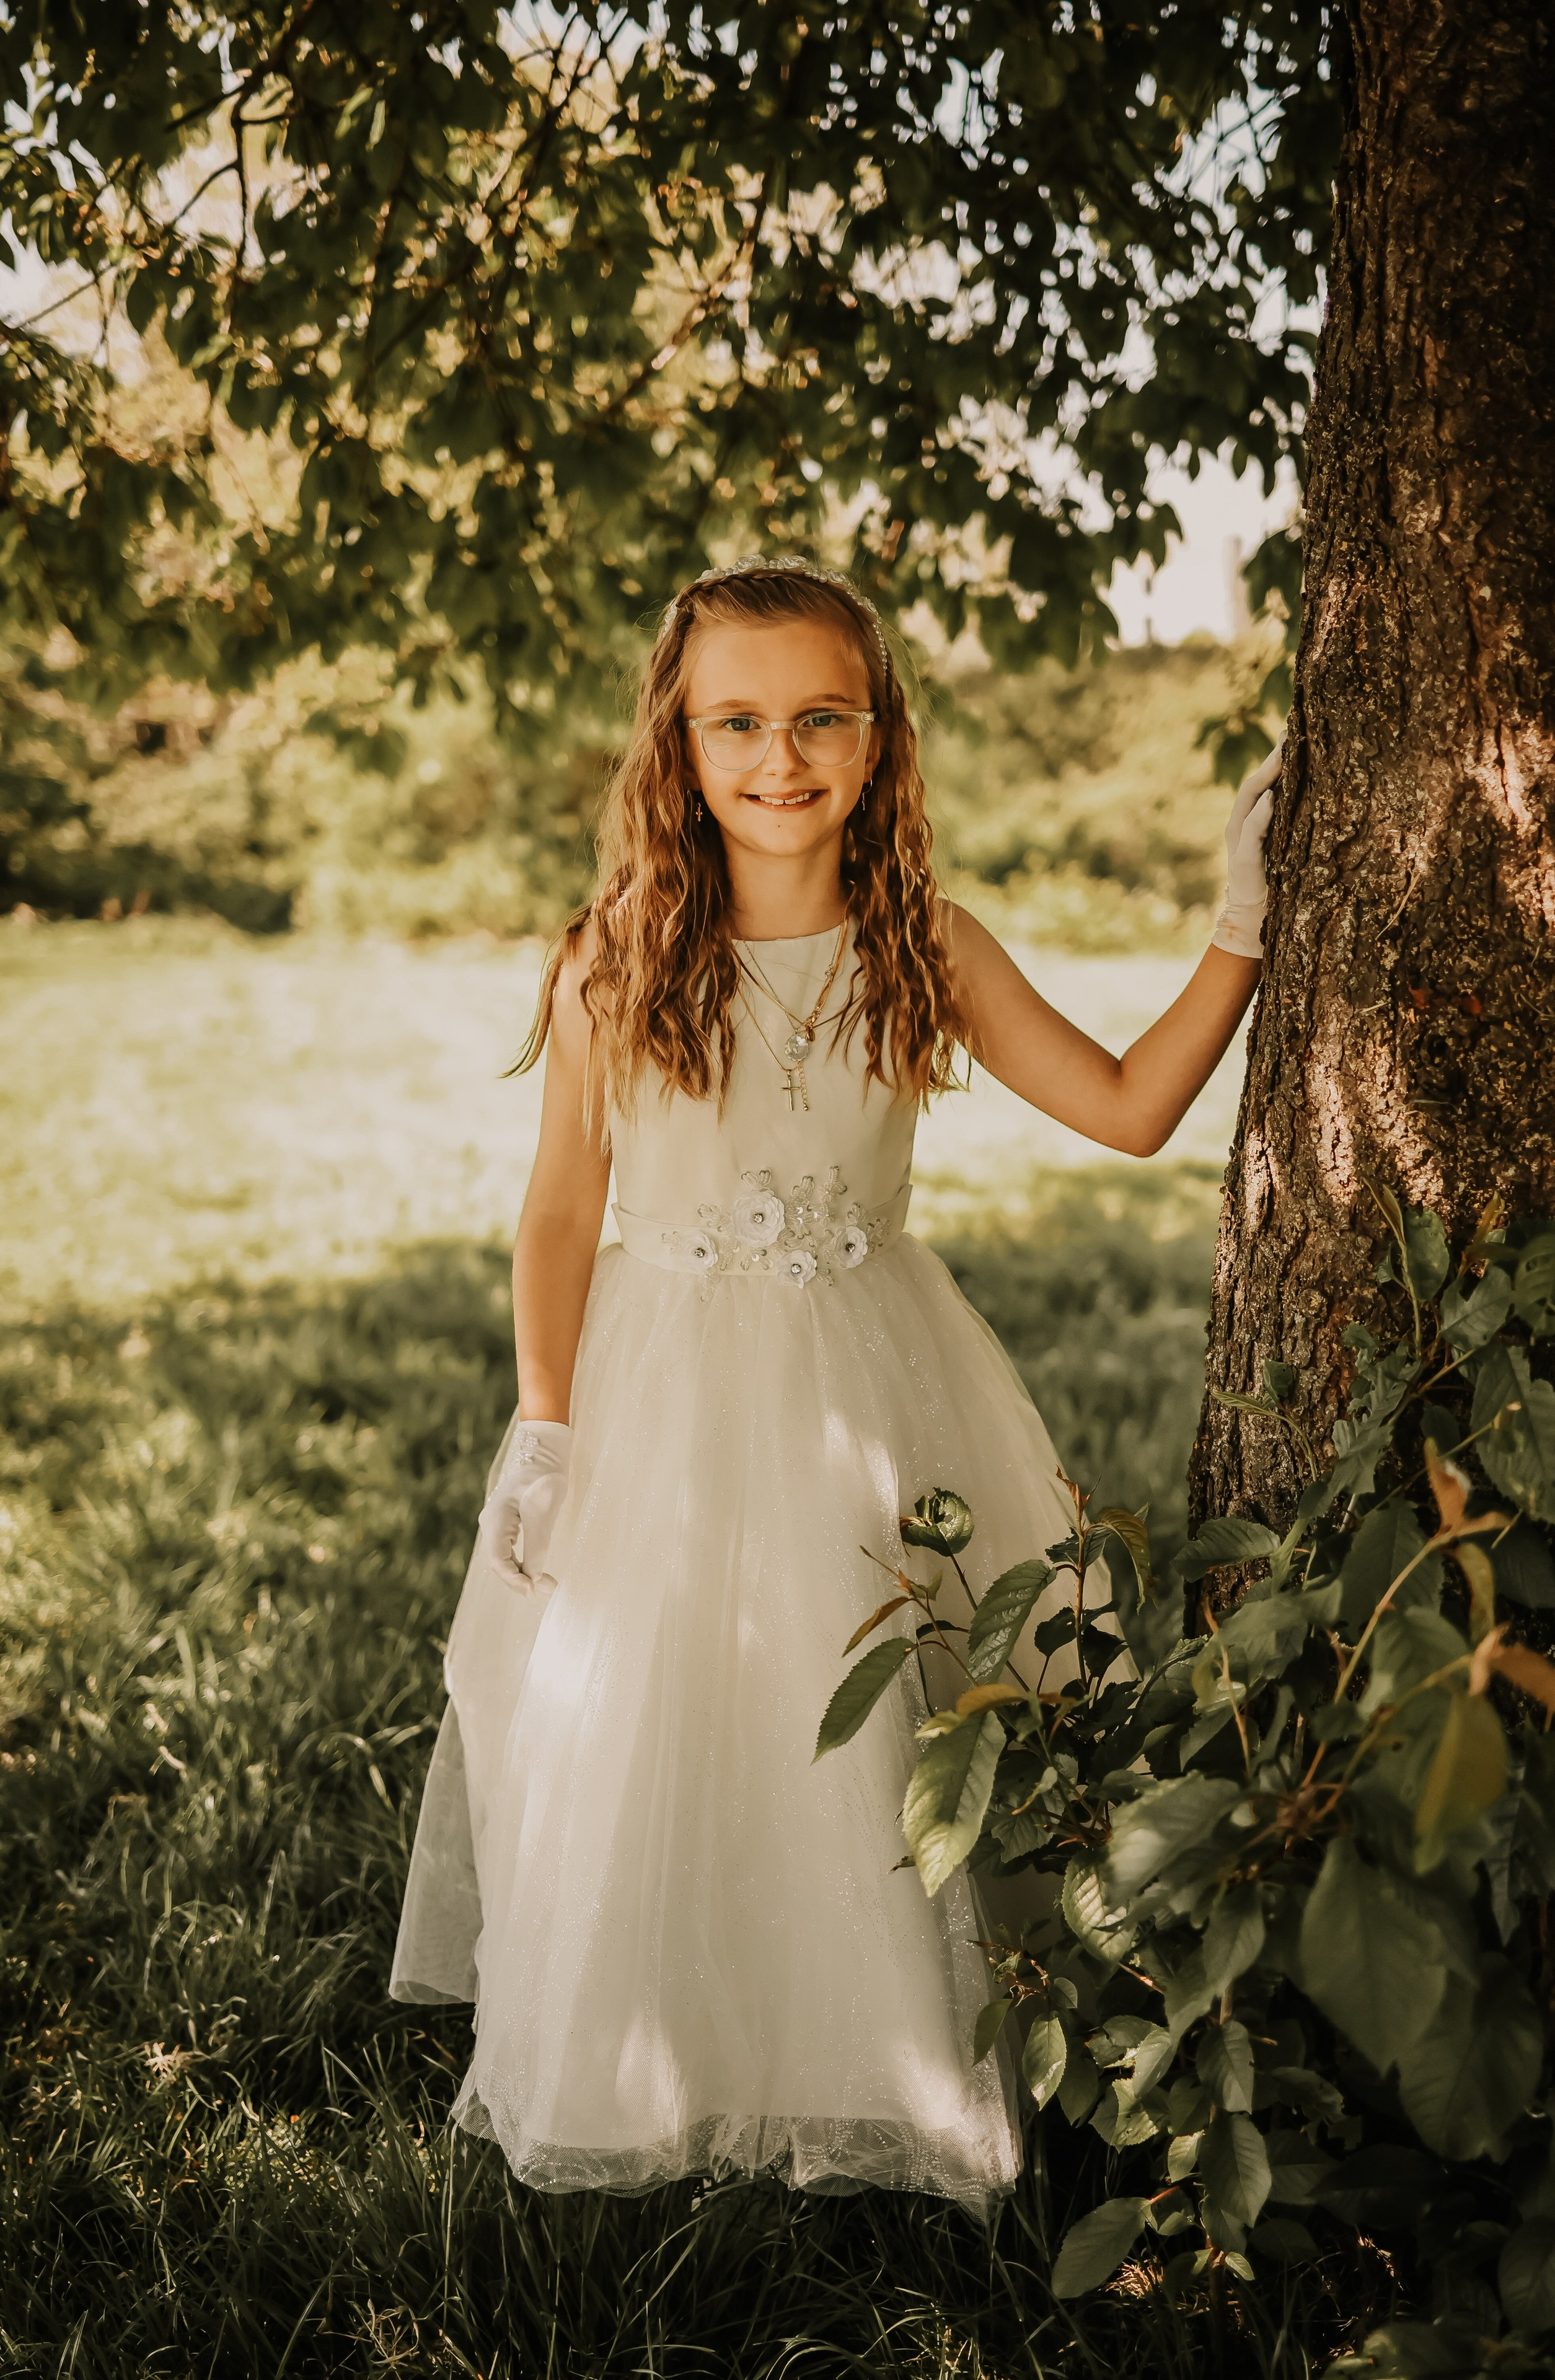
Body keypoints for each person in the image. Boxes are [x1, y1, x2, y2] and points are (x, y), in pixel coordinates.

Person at [390, 556, 1277, 2214]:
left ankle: (887, 2058)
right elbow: (562, 1210)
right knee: (652, 1723)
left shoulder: (923, 941)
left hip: (881, 1382)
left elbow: (1131, 1107)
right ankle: (665, 2053)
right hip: (658, 1390)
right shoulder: (616, 953)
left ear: (880, 740)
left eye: (819, 718)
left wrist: (1243, 923)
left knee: (883, 1715)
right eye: (737, 721)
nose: (778, 755)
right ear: (680, 739)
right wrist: (547, 1421)